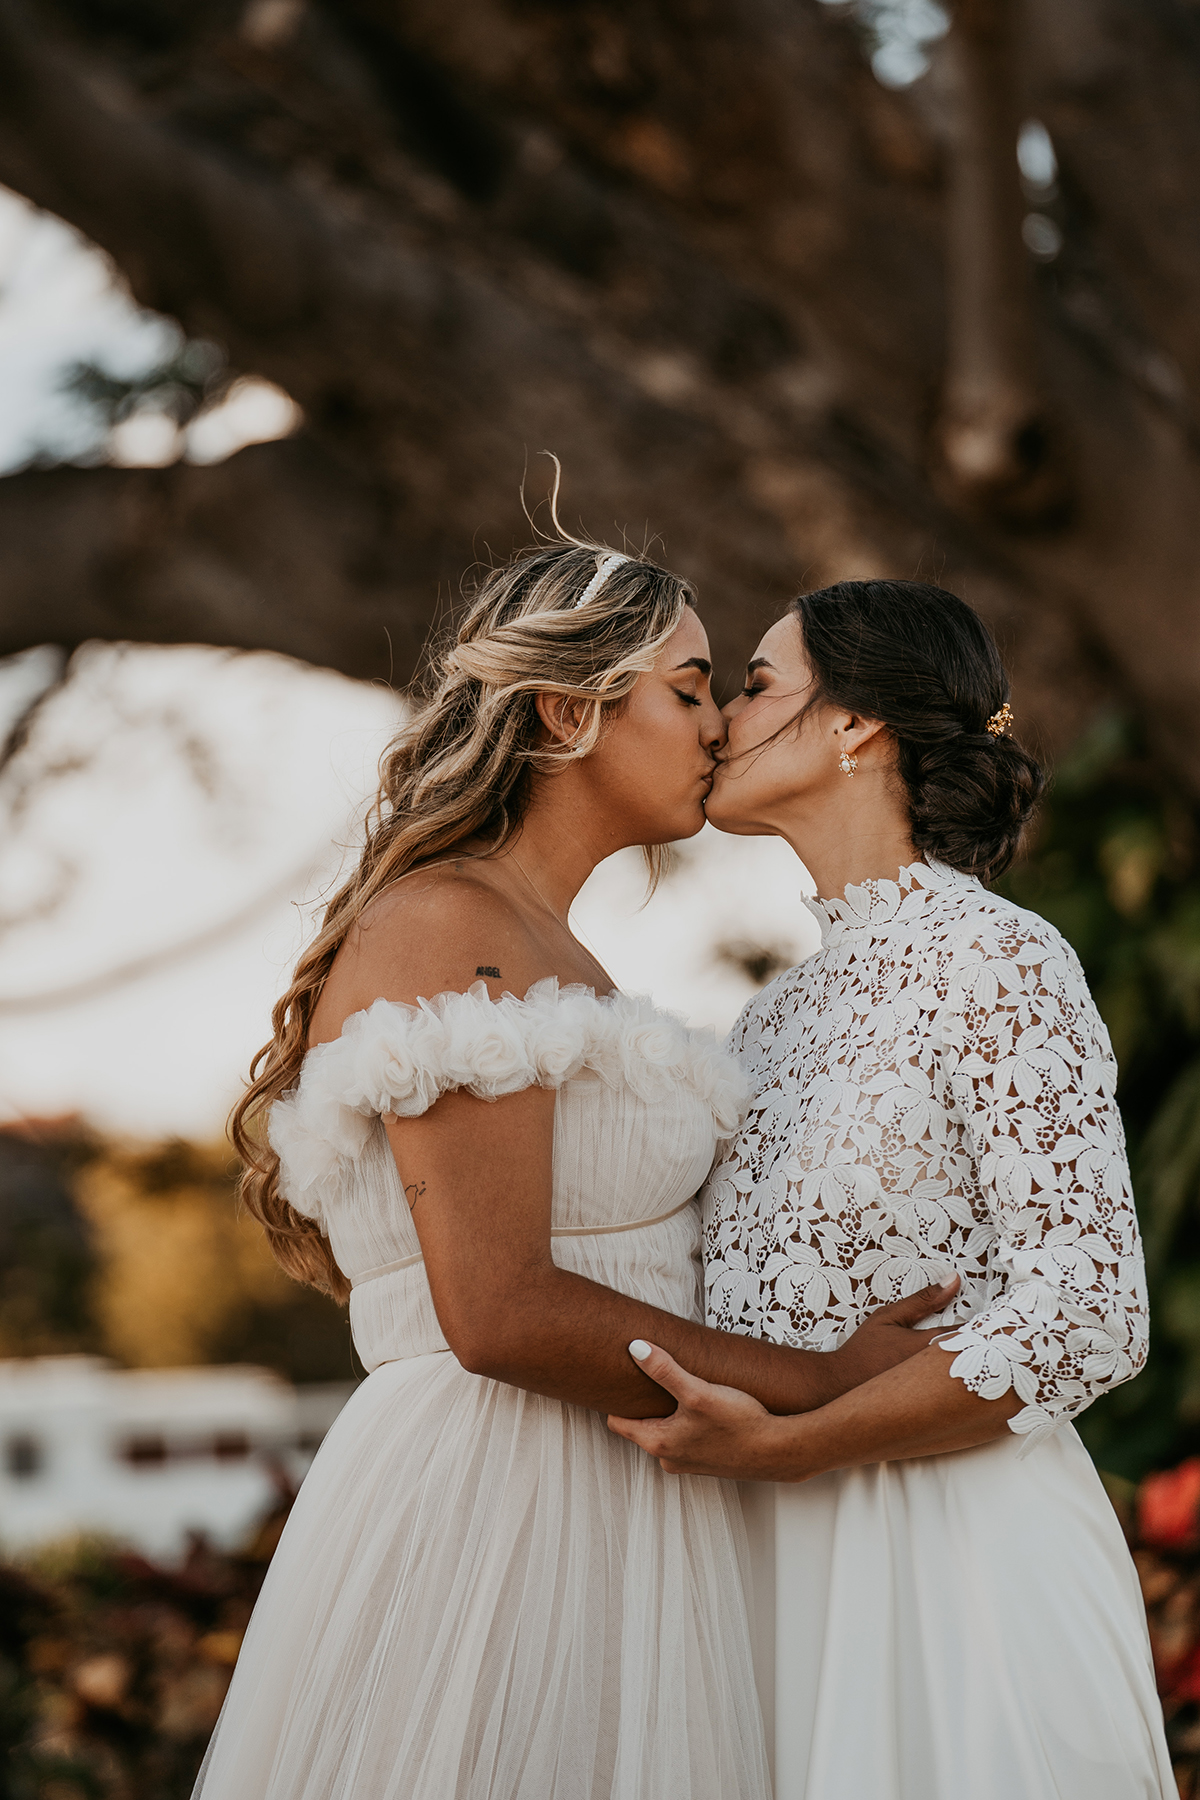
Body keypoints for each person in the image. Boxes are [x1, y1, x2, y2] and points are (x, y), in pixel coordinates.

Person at [197, 537, 950, 1800]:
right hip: (503, 1506)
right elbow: (497, 1310)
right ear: (566, 709)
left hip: (620, 1498)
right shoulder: (449, 924)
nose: (718, 725)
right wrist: (823, 1383)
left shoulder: (553, 948)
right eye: (689, 686)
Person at [610, 578, 1175, 1800]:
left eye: (754, 684)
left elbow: (1089, 1310)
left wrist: (800, 1446)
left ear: (855, 724)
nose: (718, 721)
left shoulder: (1000, 957)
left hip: (955, 1571)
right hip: (768, 1561)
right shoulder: (769, 1020)